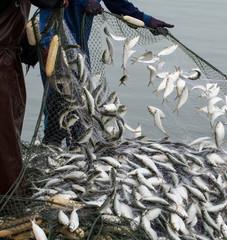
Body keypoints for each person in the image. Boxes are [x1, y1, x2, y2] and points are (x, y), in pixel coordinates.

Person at [39, 0, 174, 147]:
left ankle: (76, 153)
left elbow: (118, 4)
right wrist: (85, 2)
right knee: (57, 103)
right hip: (52, 47)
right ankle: (51, 150)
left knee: (83, 107)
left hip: (80, 52)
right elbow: (48, 4)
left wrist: (146, 20)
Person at [0, 0, 66, 223]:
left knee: (3, 135)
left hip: (4, 61)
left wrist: (27, 48)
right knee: (0, 142)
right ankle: (5, 207)